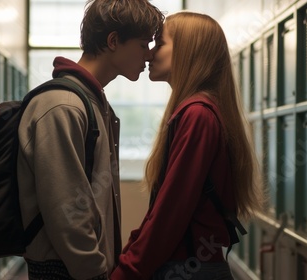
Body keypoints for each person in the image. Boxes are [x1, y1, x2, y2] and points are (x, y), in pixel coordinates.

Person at [110, 12, 265, 280]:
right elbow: (160, 209)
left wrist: (126, 272)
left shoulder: (198, 115)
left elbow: (169, 215)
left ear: (186, 51)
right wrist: (129, 255)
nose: (150, 54)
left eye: (160, 44)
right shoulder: (193, 110)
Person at [17, 1, 164, 279]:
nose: (149, 56)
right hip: (65, 271)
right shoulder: (64, 105)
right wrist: (95, 272)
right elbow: (65, 211)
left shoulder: (90, 100)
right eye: (144, 45)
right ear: (113, 41)